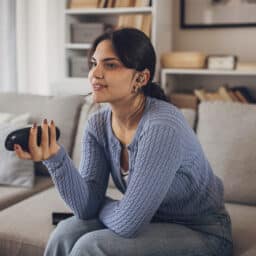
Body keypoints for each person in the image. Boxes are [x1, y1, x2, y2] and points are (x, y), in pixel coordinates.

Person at [14, 28, 233, 256]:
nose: (94, 74)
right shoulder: (97, 125)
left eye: (110, 65)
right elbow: (85, 208)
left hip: (203, 232)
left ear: (141, 78)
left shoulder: (161, 127)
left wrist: (110, 207)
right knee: (65, 232)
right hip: (153, 221)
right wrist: (55, 158)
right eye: (93, 63)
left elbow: (128, 223)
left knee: (91, 246)